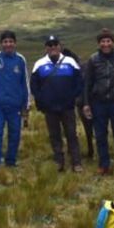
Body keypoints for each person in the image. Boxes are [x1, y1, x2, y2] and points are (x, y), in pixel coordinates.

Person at [82, 28, 114, 175]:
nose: (106, 44)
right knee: (100, 135)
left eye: (108, 41)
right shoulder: (93, 60)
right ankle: (103, 164)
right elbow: (88, 83)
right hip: (98, 103)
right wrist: (86, 103)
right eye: (102, 41)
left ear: (113, 42)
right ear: (99, 44)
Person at [30, 35, 83, 172]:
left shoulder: (70, 62)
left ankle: (76, 162)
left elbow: (80, 81)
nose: (53, 47)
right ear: (46, 48)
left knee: (71, 134)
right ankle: (59, 161)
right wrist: (42, 100)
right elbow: (34, 86)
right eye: (50, 45)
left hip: (67, 106)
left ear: (60, 46)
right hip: (50, 108)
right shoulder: (39, 64)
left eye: (55, 44)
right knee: (54, 135)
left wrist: (73, 96)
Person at [0, 30, 29, 171]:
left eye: (10, 41)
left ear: (15, 43)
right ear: (1, 43)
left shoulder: (20, 60)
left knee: (15, 134)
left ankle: (11, 161)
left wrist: (26, 105)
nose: (8, 44)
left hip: (15, 106)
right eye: (5, 42)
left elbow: (25, 83)